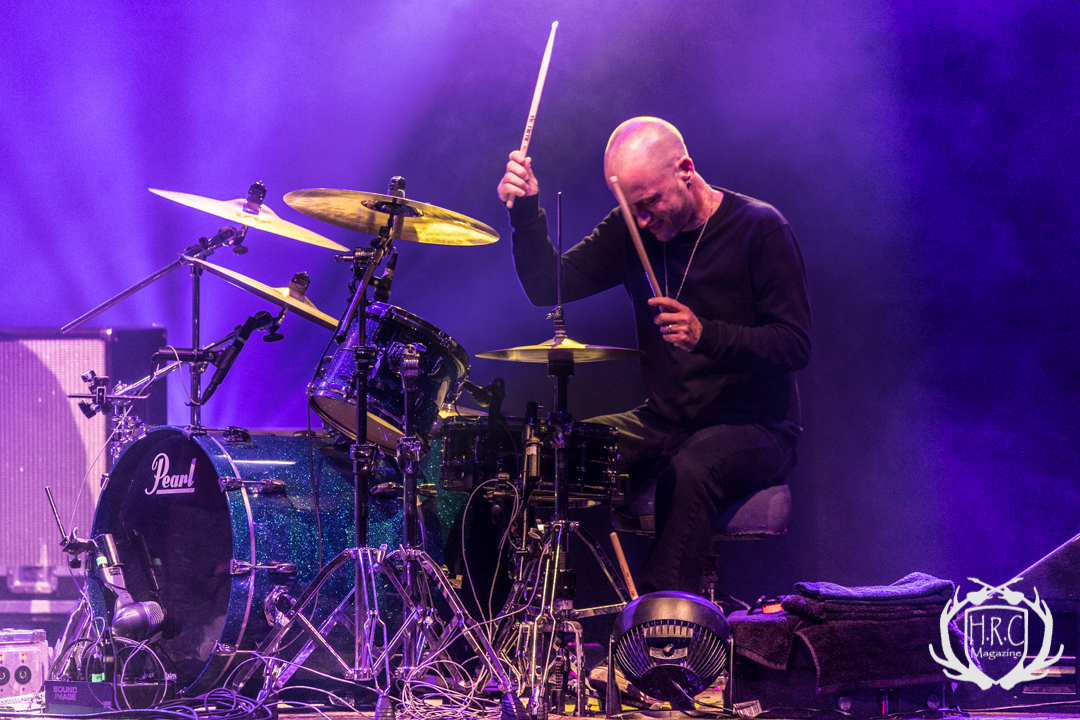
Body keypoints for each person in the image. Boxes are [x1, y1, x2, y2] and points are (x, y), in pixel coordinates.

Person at [496, 117, 812, 595]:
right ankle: (516, 621)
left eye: (649, 204)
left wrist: (707, 335)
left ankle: (662, 631)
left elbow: (794, 343)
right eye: (631, 209)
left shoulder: (760, 228)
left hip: (758, 427)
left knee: (691, 469)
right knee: (550, 454)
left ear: (686, 170)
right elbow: (547, 286)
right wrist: (524, 213)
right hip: (666, 420)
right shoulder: (633, 230)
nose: (643, 221)